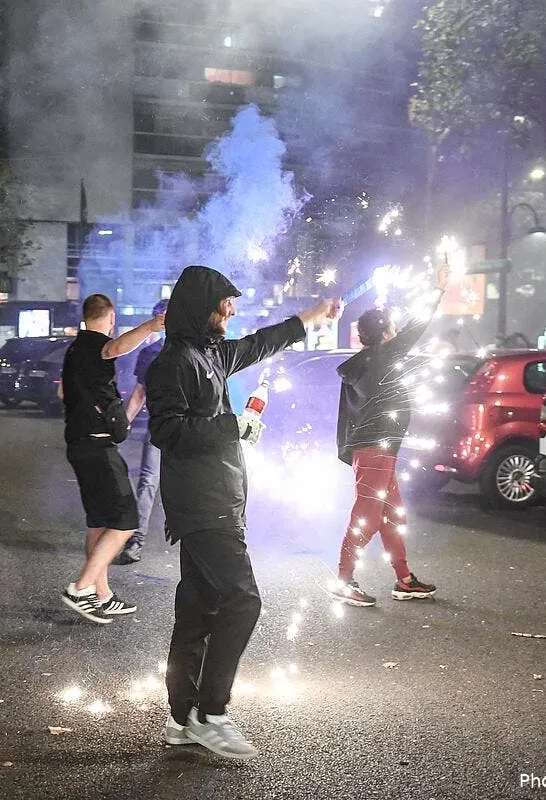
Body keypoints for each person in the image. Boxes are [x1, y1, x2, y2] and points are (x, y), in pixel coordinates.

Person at [146, 265, 337, 760]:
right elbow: (168, 433)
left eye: (230, 304)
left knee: (196, 613)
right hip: (202, 505)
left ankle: (181, 721)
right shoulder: (173, 363)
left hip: (219, 499)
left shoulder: (210, 353)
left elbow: (256, 345)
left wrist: (307, 320)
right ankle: (211, 713)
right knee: (243, 602)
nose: (229, 312)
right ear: (197, 309)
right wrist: (236, 425)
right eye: (220, 305)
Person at [331, 262, 450, 608]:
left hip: (376, 450)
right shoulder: (383, 357)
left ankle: (404, 579)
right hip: (376, 451)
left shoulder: (364, 363)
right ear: (385, 334)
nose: (398, 332)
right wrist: (437, 290)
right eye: (393, 328)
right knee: (367, 517)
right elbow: (419, 326)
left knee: (392, 516)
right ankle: (342, 580)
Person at [60, 293, 165, 624]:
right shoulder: (94, 344)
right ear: (110, 318)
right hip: (97, 446)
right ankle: (80, 588)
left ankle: (101, 595)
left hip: (79, 444)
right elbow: (115, 348)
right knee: (125, 520)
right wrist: (151, 326)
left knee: (99, 521)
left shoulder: (74, 349)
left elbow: (62, 392)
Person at [113, 298, 169, 565]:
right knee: (148, 481)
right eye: (157, 316)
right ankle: (136, 541)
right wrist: (122, 423)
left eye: (164, 315)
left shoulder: (196, 347)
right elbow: (139, 394)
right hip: (159, 427)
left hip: (189, 430)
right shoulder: (150, 353)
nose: (161, 320)